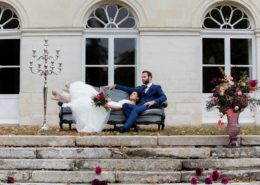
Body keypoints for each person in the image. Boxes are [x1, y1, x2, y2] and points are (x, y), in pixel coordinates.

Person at [51, 81, 140, 133]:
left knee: (85, 101)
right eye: (132, 93)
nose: (132, 94)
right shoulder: (127, 100)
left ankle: (66, 92)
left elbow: (119, 108)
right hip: (108, 103)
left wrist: (105, 104)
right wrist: (107, 100)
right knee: (89, 94)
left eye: (134, 94)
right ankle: (68, 92)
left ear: (137, 98)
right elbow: (117, 104)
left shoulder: (131, 104)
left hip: (106, 107)